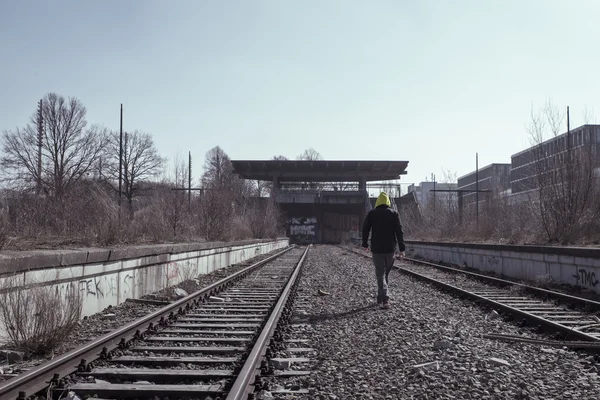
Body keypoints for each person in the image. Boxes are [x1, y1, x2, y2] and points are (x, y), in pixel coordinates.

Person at [361, 192, 406, 309]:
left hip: (376, 249)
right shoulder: (394, 214)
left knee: (380, 274)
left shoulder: (372, 214)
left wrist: (365, 244)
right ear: (387, 202)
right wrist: (402, 249)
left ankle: (384, 298)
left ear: (377, 202)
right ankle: (382, 297)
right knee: (384, 274)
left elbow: (365, 229)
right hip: (390, 249)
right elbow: (399, 232)